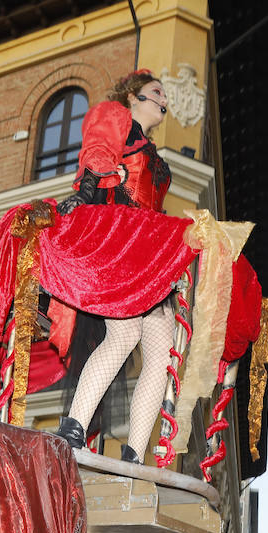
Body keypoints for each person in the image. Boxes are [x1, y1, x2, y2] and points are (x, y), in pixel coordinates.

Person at [51, 69, 176, 464]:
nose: (164, 99)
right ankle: (72, 431)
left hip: (151, 250)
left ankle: (134, 455)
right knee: (124, 336)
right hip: (121, 240)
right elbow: (99, 148)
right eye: (157, 91)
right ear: (132, 96)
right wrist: (95, 185)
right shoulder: (117, 117)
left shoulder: (153, 151)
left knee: (163, 351)